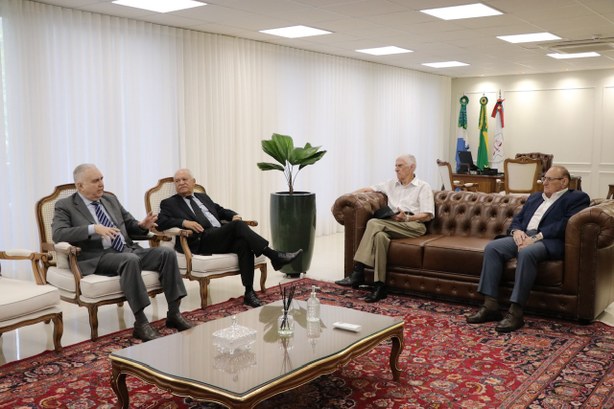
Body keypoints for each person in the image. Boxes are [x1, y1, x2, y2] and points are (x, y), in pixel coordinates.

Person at [52, 164, 193, 342]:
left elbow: (129, 225)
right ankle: (141, 323)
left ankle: (174, 313)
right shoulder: (65, 205)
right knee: (130, 259)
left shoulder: (110, 199)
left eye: (101, 179)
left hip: (126, 249)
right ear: (80, 186)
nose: (101, 184)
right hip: (97, 256)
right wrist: (93, 228)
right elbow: (58, 234)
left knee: (167, 253)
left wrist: (142, 226)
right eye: (95, 181)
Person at [467, 165, 590, 332]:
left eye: (549, 179)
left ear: (564, 181)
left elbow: (564, 225)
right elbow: (518, 219)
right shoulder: (534, 197)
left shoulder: (576, 198)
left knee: (526, 252)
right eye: (544, 178)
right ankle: (490, 306)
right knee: (493, 248)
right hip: (523, 236)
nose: (544, 182)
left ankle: (516, 312)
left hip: (547, 240)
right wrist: (516, 231)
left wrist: (535, 238)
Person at [156, 168, 302, 308]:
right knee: (237, 226)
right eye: (177, 181)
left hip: (218, 236)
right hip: (201, 240)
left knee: (244, 243)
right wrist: (183, 222)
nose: (181, 183)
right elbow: (161, 222)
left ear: (193, 181)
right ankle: (274, 255)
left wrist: (233, 215)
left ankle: (249, 292)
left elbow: (220, 210)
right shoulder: (169, 203)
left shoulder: (203, 197)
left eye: (184, 179)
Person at [335, 154, 435, 302]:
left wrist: (407, 217)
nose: (396, 169)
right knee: (380, 237)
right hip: (393, 223)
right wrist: (343, 199)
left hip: (414, 225)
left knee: (374, 223)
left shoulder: (423, 187)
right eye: (396, 166)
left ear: (412, 167)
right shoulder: (391, 184)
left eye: (400, 166)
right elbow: (368, 189)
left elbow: (427, 215)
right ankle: (379, 286)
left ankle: (358, 271)